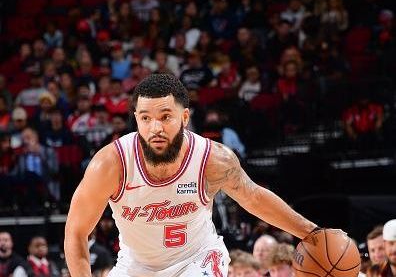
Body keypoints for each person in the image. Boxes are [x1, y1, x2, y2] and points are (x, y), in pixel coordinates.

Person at [65, 74, 318, 276]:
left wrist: (311, 231)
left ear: (184, 117)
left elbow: (253, 197)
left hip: (197, 259)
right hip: (136, 266)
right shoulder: (110, 164)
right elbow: (76, 231)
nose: (155, 128)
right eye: (145, 118)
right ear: (136, 119)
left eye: (165, 117)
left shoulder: (212, 159)